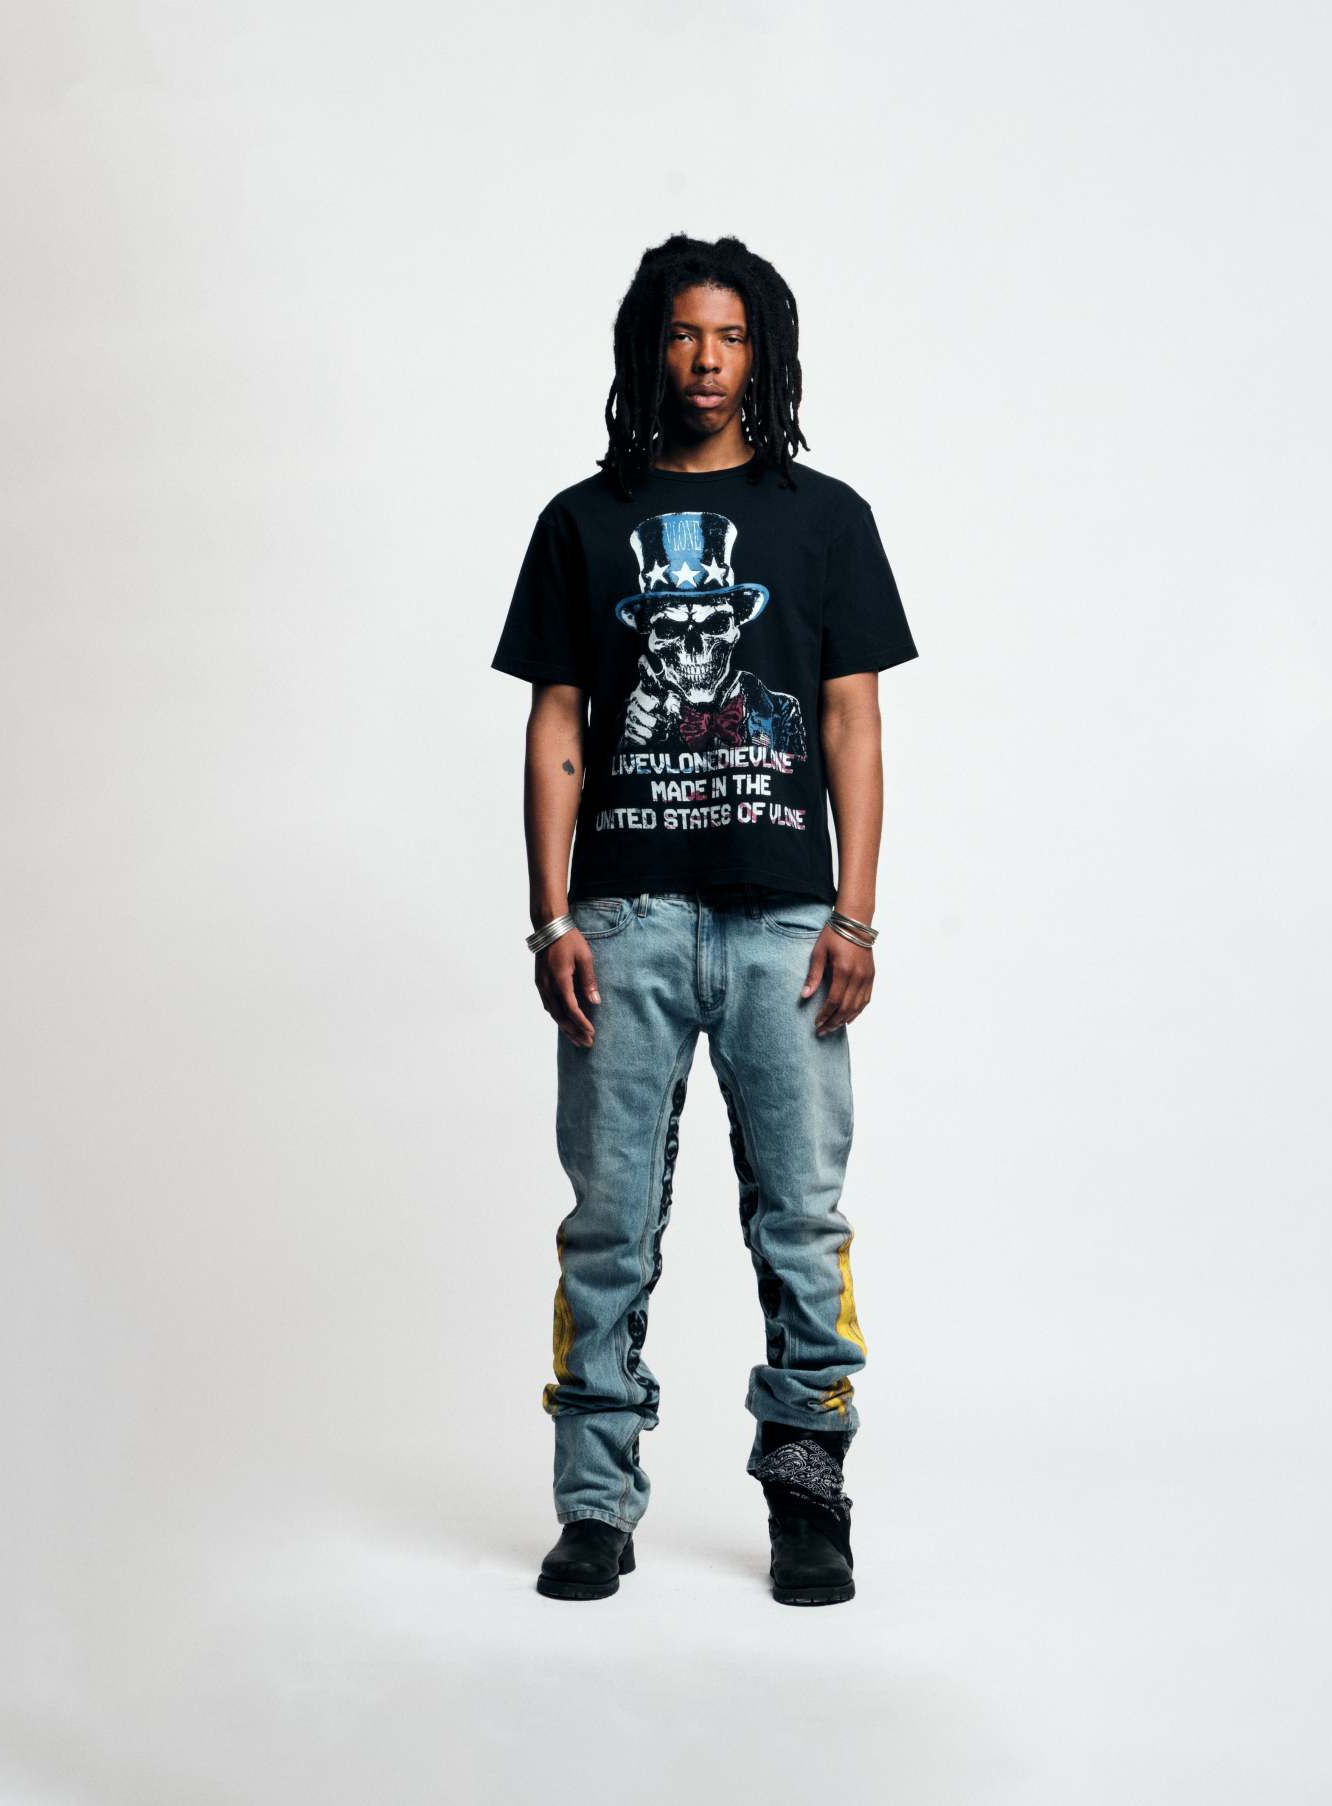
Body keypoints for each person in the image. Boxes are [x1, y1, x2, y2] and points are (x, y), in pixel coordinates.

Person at [490, 233, 919, 1605]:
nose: (707, 360)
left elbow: (851, 721)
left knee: (802, 1221)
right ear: (648, 350)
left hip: (785, 922)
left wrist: (855, 915)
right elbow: (558, 722)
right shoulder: (579, 521)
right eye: (683, 334)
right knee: (608, 1226)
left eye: (731, 337)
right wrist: (547, 915)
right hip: (622, 915)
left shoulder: (825, 518)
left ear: (764, 353)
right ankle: (594, 1504)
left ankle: (807, 1495)